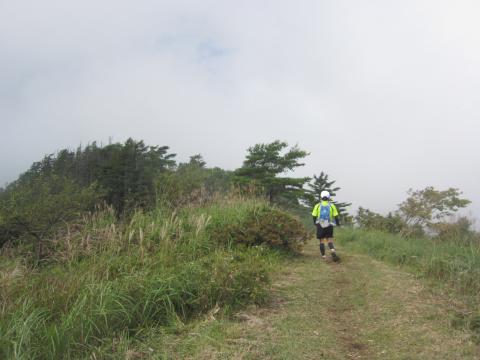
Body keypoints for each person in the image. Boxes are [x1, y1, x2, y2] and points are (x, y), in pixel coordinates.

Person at [312, 190, 340, 261]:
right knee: (329, 239)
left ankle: (324, 256)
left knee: (321, 241)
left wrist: (315, 222)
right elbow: (336, 216)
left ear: (321, 197)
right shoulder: (332, 205)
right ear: (328, 197)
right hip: (329, 224)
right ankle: (332, 250)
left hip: (320, 224)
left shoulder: (317, 205)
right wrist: (337, 224)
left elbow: (314, 216)